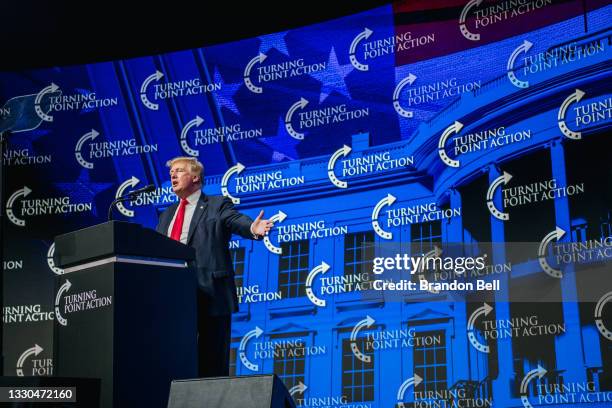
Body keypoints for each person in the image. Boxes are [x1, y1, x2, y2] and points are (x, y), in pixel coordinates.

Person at [156, 156, 273, 377]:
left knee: (211, 363)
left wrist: (252, 228)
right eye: (172, 172)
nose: (173, 175)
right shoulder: (166, 215)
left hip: (209, 292)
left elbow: (236, 220)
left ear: (196, 176)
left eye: (179, 171)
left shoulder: (217, 204)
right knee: (176, 359)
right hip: (173, 295)